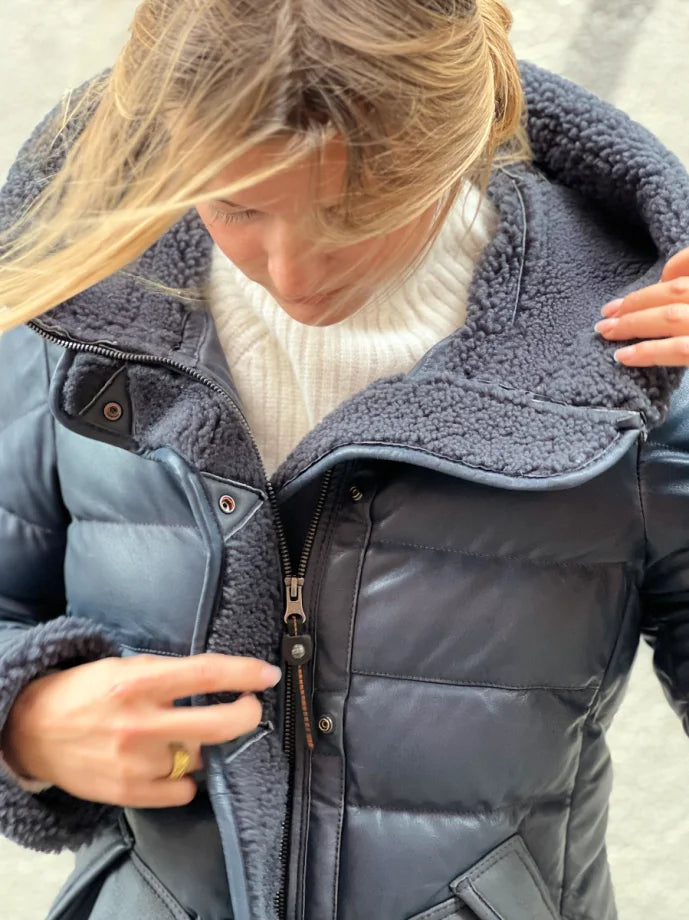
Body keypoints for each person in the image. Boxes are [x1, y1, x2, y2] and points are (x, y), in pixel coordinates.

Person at [0, 1, 688, 918]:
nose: (293, 275)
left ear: (451, 148)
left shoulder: (628, 353)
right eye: (236, 206)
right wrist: (24, 722)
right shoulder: (77, 307)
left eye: (357, 215)